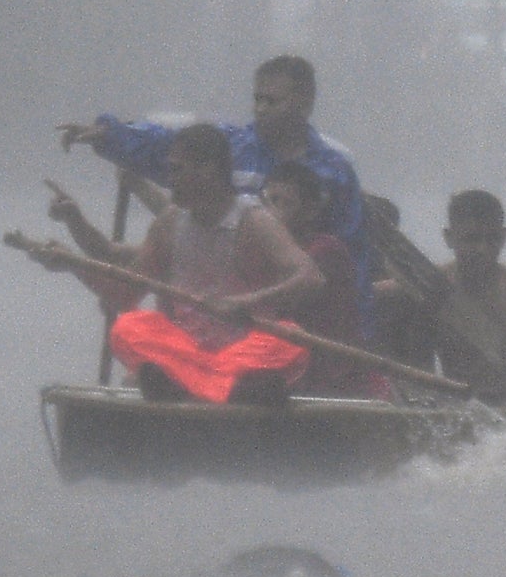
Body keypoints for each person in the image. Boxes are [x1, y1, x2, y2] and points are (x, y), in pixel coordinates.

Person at [64, 55, 373, 342]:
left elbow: (347, 263)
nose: (261, 109)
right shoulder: (231, 147)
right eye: (257, 99)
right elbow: (165, 146)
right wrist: (110, 135)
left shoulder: (333, 173)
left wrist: (350, 331)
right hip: (209, 305)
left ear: (304, 103)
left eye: (272, 101)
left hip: (288, 314)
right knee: (135, 328)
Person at [33, 120, 317, 404]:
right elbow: (125, 295)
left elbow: (310, 277)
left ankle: (207, 384)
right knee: (129, 327)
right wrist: (73, 265)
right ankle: (216, 387)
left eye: (177, 170)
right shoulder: (169, 223)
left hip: (245, 355)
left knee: (291, 338)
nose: (171, 180)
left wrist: (245, 302)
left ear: (209, 170)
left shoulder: (254, 221)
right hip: (187, 354)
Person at [256, 162, 383, 398]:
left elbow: (281, 297)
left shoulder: (326, 251)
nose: (270, 213)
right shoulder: (265, 252)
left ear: (311, 210)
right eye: (267, 201)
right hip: (291, 370)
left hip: (335, 377)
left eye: (282, 203)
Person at [422, 188, 506, 389]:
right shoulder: (428, 279)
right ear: (449, 238)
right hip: (453, 398)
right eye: (472, 239)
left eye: (492, 239)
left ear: (504, 237)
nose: (483, 249)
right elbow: (369, 294)